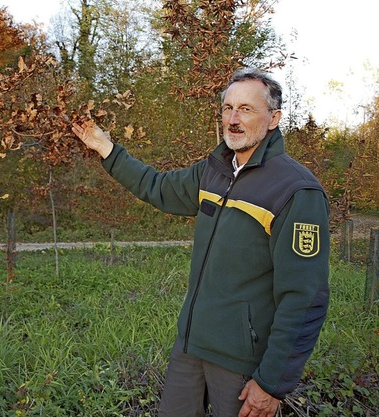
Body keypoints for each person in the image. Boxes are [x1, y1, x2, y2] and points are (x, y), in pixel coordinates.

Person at [72, 68, 330, 417]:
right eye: (227, 108)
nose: (233, 119)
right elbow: (159, 188)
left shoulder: (295, 190)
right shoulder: (215, 170)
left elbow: (305, 298)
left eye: (245, 109)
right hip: (191, 347)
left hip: (242, 361)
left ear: (274, 119)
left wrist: (272, 383)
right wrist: (107, 148)